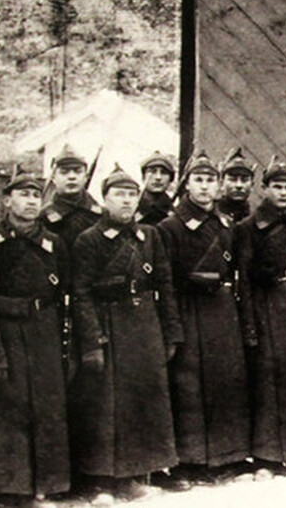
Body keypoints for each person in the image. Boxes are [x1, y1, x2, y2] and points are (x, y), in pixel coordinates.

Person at [70, 165, 183, 499]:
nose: (126, 201)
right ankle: (102, 481)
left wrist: (171, 332)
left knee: (143, 401)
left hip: (145, 326)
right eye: (119, 194)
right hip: (109, 327)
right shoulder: (89, 240)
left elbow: (164, 284)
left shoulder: (150, 235)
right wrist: (92, 340)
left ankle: (134, 478)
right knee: (107, 406)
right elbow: (81, 293)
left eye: (132, 194)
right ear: (105, 200)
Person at [0, 166, 70, 504]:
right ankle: (7, 490)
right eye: (23, 194)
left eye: (36, 195)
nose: (30, 201)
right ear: (7, 201)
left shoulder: (53, 244)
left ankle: (44, 485)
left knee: (48, 409)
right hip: (8, 337)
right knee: (7, 413)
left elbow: (66, 293)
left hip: (45, 336)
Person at [156, 151, 252, 480]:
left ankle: (227, 458)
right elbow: (165, 282)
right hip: (188, 307)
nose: (205, 186)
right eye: (199, 179)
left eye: (211, 180)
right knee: (189, 385)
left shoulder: (227, 225)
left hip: (222, 311)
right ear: (186, 185)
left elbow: (239, 273)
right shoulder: (169, 227)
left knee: (226, 381)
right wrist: (172, 327)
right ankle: (189, 462)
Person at [233, 156, 286, 473]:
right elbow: (243, 277)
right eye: (277, 186)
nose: (283, 193)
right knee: (266, 382)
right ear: (264, 189)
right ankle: (267, 457)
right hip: (264, 304)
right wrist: (250, 324)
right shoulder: (247, 228)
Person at [40, 144, 101, 249]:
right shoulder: (44, 218)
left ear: (86, 177)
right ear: (53, 177)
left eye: (78, 172)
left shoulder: (100, 215)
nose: (72, 177)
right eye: (64, 172)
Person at [136, 152, 176, 227]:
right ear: (143, 177)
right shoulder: (132, 210)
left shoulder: (176, 215)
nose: (158, 177)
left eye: (163, 172)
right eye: (153, 171)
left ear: (170, 179)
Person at [217, 148, 255, 224]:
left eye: (244, 180)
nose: (239, 185)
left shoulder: (255, 220)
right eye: (232, 179)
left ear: (252, 186)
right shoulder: (212, 217)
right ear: (221, 184)